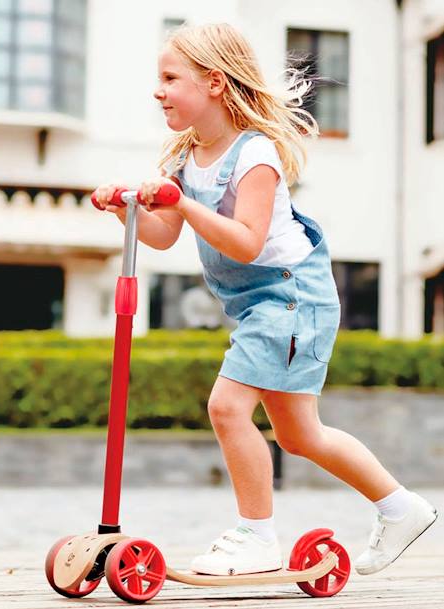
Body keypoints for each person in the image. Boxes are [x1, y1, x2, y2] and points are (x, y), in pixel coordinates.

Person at [94, 22, 437, 578]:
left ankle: (256, 536)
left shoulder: (256, 156)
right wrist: (126, 210)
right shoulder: (188, 154)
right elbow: (164, 233)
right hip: (262, 305)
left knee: (227, 407)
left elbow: (248, 242)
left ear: (214, 83)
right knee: (301, 435)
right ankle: (403, 508)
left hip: (291, 296)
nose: (158, 90)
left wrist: (182, 201)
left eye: (169, 78)